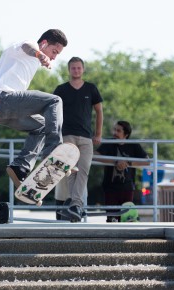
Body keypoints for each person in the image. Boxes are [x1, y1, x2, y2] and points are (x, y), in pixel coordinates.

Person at [0, 29, 68, 187]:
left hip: (1, 108)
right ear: (44, 44)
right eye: (54, 51)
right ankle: (53, 153)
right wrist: (40, 55)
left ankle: (20, 166)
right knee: (55, 101)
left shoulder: (29, 63)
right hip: (4, 99)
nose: (54, 57)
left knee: (42, 125)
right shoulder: (27, 46)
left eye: (57, 54)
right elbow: (27, 46)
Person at [53, 57, 103, 222]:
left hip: (86, 137)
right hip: (67, 135)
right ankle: (76, 205)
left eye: (79, 68)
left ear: (83, 69)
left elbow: (99, 111)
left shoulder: (91, 88)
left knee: (83, 171)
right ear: (69, 70)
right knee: (71, 172)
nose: (76, 70)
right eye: (73, 68)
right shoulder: (61, 89)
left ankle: (73, 204)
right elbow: (53, 113)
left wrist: (98, 133)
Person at [94, 121, 149, 222]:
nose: (115, 133)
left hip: (127, 187)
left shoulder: (134, 145)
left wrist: (128, 162)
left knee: (127, 219)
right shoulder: (108, 143)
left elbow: (147, 161)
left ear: (126, 134)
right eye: (114, 130)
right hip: (110, 187)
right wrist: (115, 161)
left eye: (118, 131)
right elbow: (95, 156)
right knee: (112, 219)